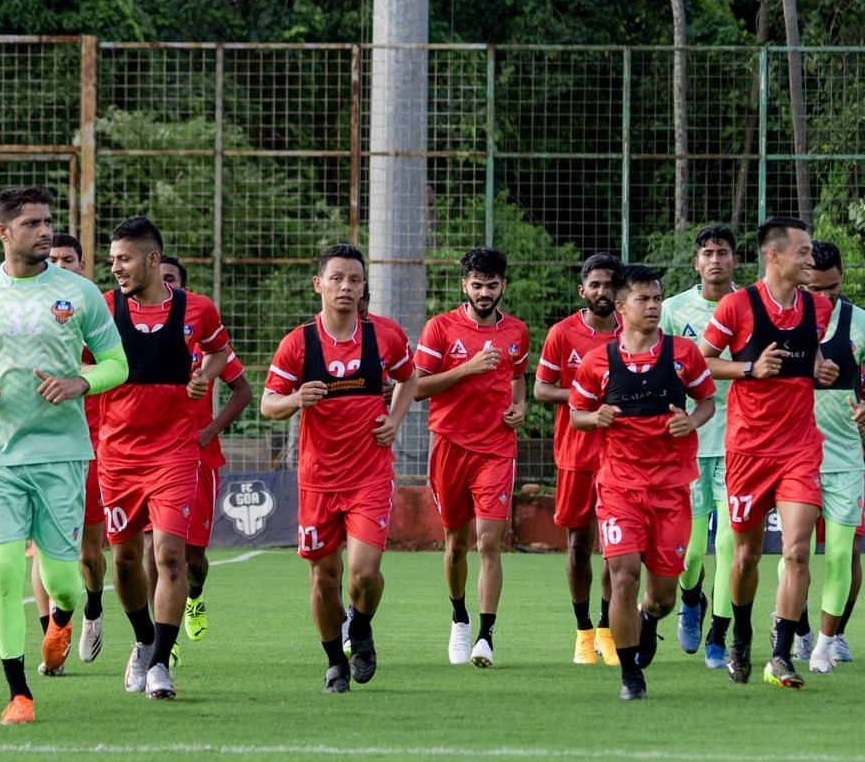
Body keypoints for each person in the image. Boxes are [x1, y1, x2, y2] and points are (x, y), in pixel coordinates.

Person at [0, 186, 127, 725]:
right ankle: (19, 693)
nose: (45, 232)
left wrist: (78, 382)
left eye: (48, 222)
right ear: (4, 232)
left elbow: (117, 363)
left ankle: (62, 620)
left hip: (61, 455)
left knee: (64, 580)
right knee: (1, 573)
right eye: (33, 224)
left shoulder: (79, 293)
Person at [262, 244, 417, 693]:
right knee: (324, 578)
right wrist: (296, 400)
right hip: (317, 481)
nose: (345, 287)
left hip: (369, 475)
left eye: (354, 279)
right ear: (319, 285)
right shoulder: (299, 342)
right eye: (336, 278)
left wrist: (395, 419)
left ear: (364, 287)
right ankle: (334, 662)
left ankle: (362, 627)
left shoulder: (384, 336)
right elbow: (269, 403)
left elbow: (411, 377)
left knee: (364, 573)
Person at [698, 217, 839, 690]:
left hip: (800, 449)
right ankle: (740, 635)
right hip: (747, 452)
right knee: (745, 556)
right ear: (773, 255)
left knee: (798, 551)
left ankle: (780, 655)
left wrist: (818, 368)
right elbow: (701, 362)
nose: (810, 259)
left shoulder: (818, 309)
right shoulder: (738, 306)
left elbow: (809, 354)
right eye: (803, 251)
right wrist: (748, 369)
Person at [100, 217, 234, 698]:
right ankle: (142, 641)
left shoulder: (197, 310)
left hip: (176, 455)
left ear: (153, 260)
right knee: (124, 562)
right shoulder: (103, 308)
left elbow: (221, 354)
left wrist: (205, 375)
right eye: (113, 259)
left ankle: (159, 663)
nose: (115, 267)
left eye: (124, 258)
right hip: (117, 456)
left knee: (171, 556)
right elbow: (77, 361)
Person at [569, 265, 716, 699]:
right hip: (619, 488)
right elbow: (578, 414)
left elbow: (706, 401)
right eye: (643, 299)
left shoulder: (683, 354)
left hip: (671, 489)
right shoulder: (599, 362)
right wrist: (594, 417)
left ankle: (649, 620)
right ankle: (631, 675)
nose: (653, 307)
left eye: (657, 298)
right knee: (624, 576)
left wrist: (690, 421)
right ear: (621, 307)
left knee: (662, 596)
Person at [413, 247, 530, 667]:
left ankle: (485, 636)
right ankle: (459, 618)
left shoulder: (516, 331)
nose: (484, 292)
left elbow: (518, 378)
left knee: (489, 542)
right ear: (464, 285)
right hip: (449, 446)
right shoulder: (439, 328)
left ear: (503, 286)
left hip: (496, 448)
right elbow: (418, 388)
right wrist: (468, 368)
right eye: (477, 285)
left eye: (492, 285)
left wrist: (520, 407)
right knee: (456, 544)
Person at [795, 241, 865, 673]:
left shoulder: (862, 324)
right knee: (795, 553)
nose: (825, 298)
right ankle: (795, 632)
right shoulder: (778, 319)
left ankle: (827, 641)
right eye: (816, 290)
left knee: (843, 555)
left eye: (833, 288)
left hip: (843, 460)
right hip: (792, 457)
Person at [161, 257, 255, 644]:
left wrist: (211, 428)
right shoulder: (133, 329)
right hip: (152, 457)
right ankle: (159, 645)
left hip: (199, 459)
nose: (161, 284)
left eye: (170, 279)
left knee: (192, 560)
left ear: (182, 287)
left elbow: (244, 391)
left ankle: (195, 596)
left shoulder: (203, 335)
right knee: (160, 553)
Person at [533, 253, 621, 665]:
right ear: (582, 290)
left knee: (617, 547)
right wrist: (584, 398)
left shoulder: (632, 332)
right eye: (596, 285)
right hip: (575, 454)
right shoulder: (562, 333)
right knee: (578, 545)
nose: (603, 292)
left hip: (622, 455)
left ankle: (608, 628)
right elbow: (541, 390)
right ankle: (583, 630)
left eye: (610, 285)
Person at [659, 226, 738, 667]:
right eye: (707, 253)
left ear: (734, 261)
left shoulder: (749, 309)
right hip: (686, 441)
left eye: (722, 253)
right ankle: (691, 599)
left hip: (738, 441)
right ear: (696, 263)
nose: (714, 260)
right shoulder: (671, 310)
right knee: (689, 551)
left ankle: (719, 635)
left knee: (728, 544)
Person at [35, 232, 112, 666]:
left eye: (68, 259)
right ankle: (51, 636)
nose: (60, 266)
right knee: (41, 550)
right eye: (53, 259)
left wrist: (75, 374)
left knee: (88, 553)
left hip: (96, 444)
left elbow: (115, 364)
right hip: (44, 445)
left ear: (83, 266)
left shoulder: (93, 308)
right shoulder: (30, 310)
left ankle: (95, 606)